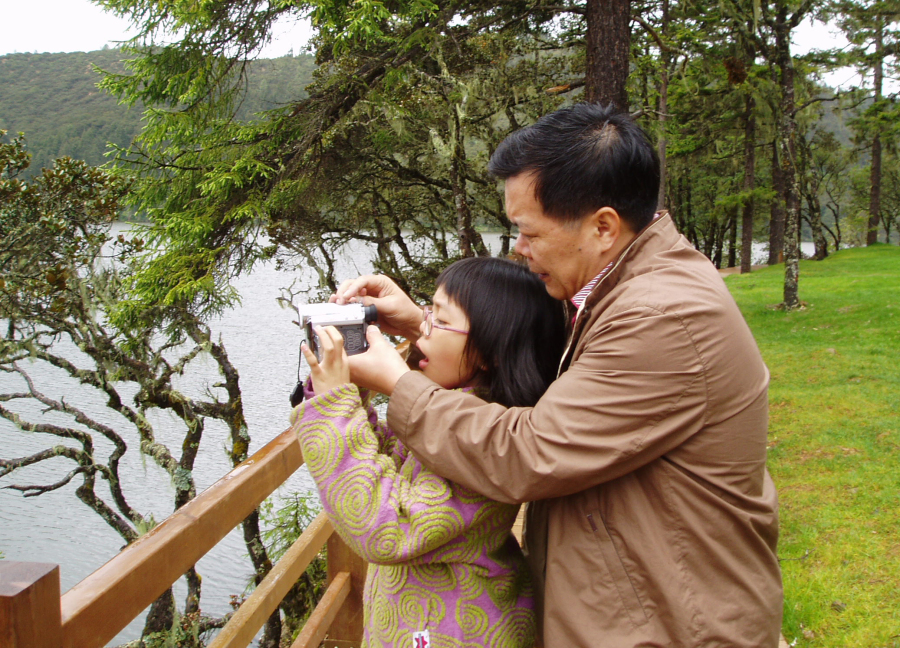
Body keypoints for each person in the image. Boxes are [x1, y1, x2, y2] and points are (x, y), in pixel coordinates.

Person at [331, 103, 784, 647]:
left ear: (602, 227)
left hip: (678, 628)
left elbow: (528, 452)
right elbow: (544, 352)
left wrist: (398, 383)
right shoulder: (628, 289)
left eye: (528, 231)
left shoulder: (661, 316)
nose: (519, 249)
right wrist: (424, 324)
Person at [291, 257, 567, 648]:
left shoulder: (482, 438)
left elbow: (384, 528)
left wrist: (336, 407)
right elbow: (386, 465)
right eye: (427, 313)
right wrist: (348, 389)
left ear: (490, 350)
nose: (422, 330)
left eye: (439, 319)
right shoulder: (453, 410)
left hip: (457, 632)